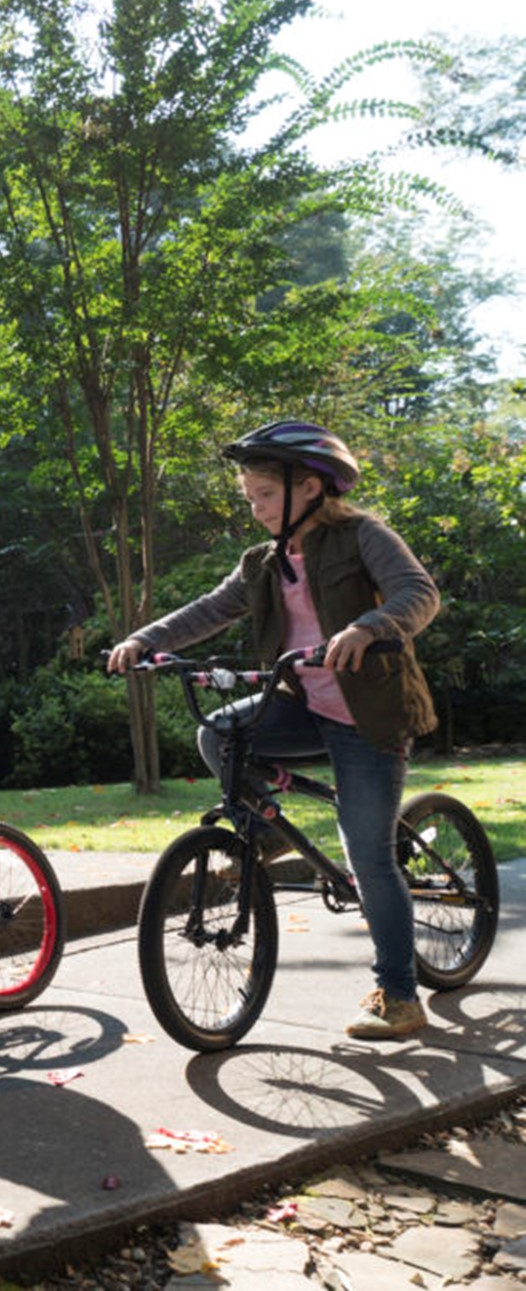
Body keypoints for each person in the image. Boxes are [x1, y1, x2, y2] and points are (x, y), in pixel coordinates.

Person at [106, 419, 441, 1041]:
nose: (255, 509)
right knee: (218, 732)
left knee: (368, 858)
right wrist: (143, 639)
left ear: (310, 487)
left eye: (263, 495)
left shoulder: (363, 536)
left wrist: (369, 627)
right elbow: (210, 609)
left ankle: (400, 995)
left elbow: (418, 593)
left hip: (369, 717)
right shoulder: (261, 562)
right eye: (250, 498)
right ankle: (260, 833)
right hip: (302, 704)